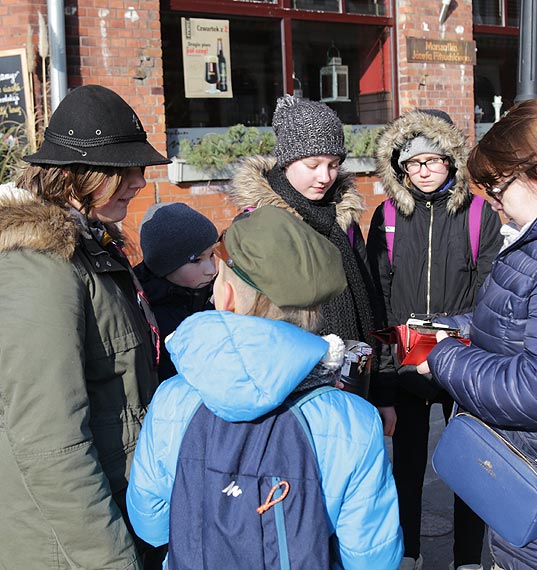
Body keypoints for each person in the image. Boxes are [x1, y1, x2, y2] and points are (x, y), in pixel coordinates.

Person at [126, 205, 404, 569]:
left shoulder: (172, 399)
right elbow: (372, 559)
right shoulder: (354, 421)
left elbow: (152, 523)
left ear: (224, 297)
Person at [0, 84, 170, 569]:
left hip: (119, 508)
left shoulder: (89, 245)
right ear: (78, 175)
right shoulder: (37, 266)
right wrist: (110, 558)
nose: (139, 183)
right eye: (126, 170)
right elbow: (49, 441)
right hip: (68, 545)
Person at [418, 98, 537, 570]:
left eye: (500, 192)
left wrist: (443, 356)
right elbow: (519, 324)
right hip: (536, 481)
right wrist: (454, 328)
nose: (497, 209)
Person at [367, 109, 503, 570]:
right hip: (406, 354)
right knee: (405, 465)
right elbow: (378, 294)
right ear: (400, 167)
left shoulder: (480, 213)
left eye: (433, 160)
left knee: (469, 463)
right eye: (413, 162)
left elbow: (490, 289)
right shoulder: (386, 216)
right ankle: (409, 552)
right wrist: (386, 370)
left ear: (451, 159)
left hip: (462, 355)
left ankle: (467, 558)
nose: (423, 171)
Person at [228, 94, 395, 434]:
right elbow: (246, 318)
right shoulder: (261, 225)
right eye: (313, 164)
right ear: (287, 161)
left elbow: (370, 302)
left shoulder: (343, 218)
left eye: (334, 164)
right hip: (293, 395)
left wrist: (382, 390)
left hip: (353, 384)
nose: (324, 177)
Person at [134, 202, 218, 382]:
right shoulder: (149, 318)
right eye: (196, 260)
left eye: (212, 255)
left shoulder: (213, 298)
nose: (211, 269)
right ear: (165, 266)